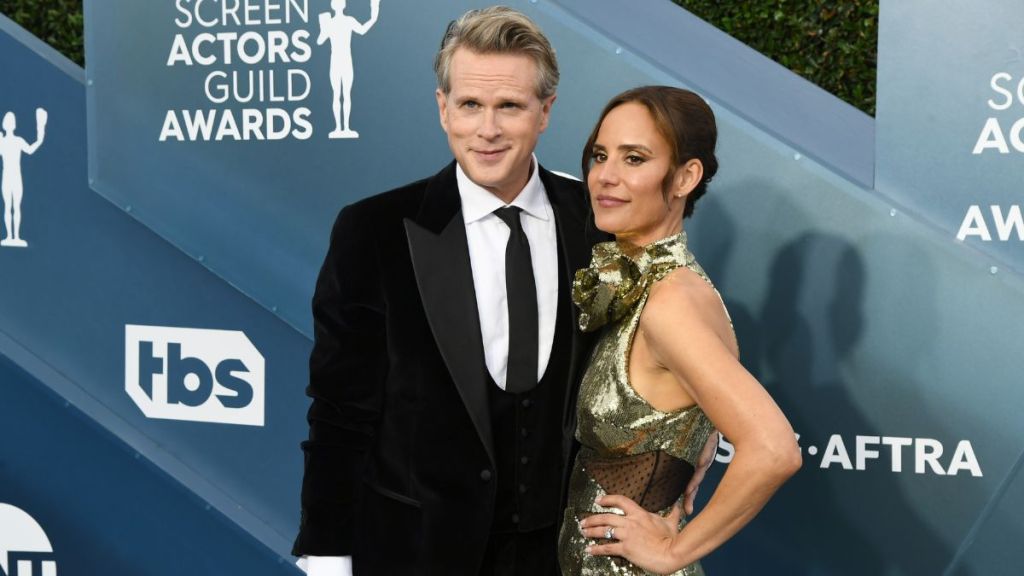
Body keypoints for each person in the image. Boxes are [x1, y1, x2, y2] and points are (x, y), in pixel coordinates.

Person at [295, 8, 720, 576]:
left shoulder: (600, 226)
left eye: (510, 106)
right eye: (470, 105)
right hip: (414, 552)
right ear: (442, 108)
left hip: (565, 554)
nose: (487, 129)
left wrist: (698, 435)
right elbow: (339, 411)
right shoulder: (375, 230)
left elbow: (669, 343)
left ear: (545, 112)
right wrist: (326, 556)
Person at [557, 86, 802, 575]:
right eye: (600, 155)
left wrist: (673, 552)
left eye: (635, 159)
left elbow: (774, 449)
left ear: (686, 176)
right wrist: (693, 439)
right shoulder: (652, 283)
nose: (605, 177)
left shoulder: (671, 302)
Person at [317, 0, 380, 139]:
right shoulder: (330, 22)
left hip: (346, 61)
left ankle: (345, 128)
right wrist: (323, 26)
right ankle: (339, 128)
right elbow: (320, 40)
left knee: (345, 94)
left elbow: (363, 30)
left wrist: (374, 12)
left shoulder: (349, 20)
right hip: (336, 62)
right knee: (337, 94)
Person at [0, 108, 46, 248]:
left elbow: (31, 149)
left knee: (16, 207)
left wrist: (41, 132)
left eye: (11, 121)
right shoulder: (1, 142)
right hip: (7, 177)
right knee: (8, 207)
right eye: (8, 121)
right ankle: (9, 236)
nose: (9, 123)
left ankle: (16, 237)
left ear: (14, 124)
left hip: (16, 177)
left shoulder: (18, 141)